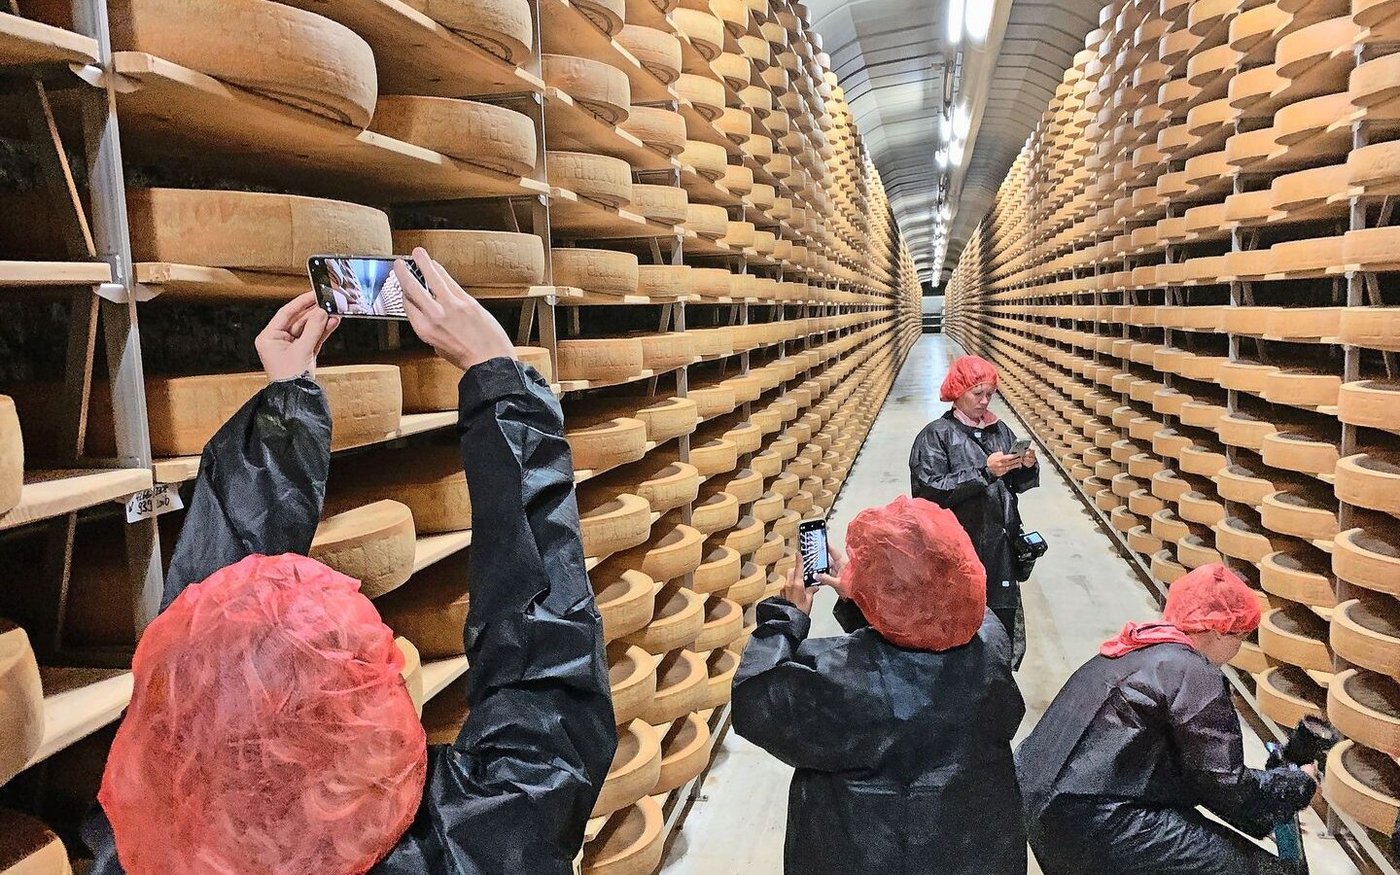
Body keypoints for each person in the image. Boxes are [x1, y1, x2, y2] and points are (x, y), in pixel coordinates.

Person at [81, 249, 617, 874]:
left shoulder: (134, 843)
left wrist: (288, 405)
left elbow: (211, 652)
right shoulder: (468, 846)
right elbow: (547, 674)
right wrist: (496, 380)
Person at [731, 495, 1027, 875]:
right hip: (970, 846)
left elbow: (754, 698)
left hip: (867, 849)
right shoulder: (992, 642)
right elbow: (924, 623)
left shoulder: (839, 677)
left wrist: (789, 617)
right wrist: (864, 599)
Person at [1016, 563, 1317, 875]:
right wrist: (1296, 786)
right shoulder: (1193, 673)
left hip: (1043, 805)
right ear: (1216, 631)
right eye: (1239, 636)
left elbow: (1194, 775)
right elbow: (1224, 784)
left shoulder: (1134, 649)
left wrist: (1263, 804)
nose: (1239, 647)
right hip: (1097, 819)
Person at [909, 354, 1037, 667]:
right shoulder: (936, 436)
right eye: (976, 394)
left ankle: (998, 677)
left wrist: (1025, 467)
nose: (984, 401)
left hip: (999, 548)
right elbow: (929, 491)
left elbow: (1015, 487)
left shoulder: (999, 430)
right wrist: (984, 471)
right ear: (957, 392)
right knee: (961, 620)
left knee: (1000, 621)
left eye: (989, 394)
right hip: (957, 549)